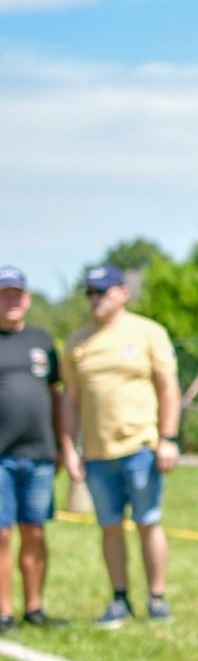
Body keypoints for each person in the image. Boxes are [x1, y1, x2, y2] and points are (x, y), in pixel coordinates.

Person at [59, 264, 182, 628]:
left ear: (122, 293)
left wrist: (168, 438)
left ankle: (156, 598)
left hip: (141, 447)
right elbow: (71, 399)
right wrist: (68, 446)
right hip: (97, 455)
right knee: (110, 527)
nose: (95, 299)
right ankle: (119, 599)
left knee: (148, 522)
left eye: (102, 291)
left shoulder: (148, 333)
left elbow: (167, 387)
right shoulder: (76, 342)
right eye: (90, 293)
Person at [0, 266, 69, 630]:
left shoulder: (43, 341)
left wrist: (62, 445)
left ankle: (35, 607)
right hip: (1, 458)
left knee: (35, 531)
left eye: (16, 294)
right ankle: (4, 611)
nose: (10, 301)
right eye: (3, 294)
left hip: (40, 456)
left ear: (26, 299)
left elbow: (57, 397)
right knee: (2, 533)